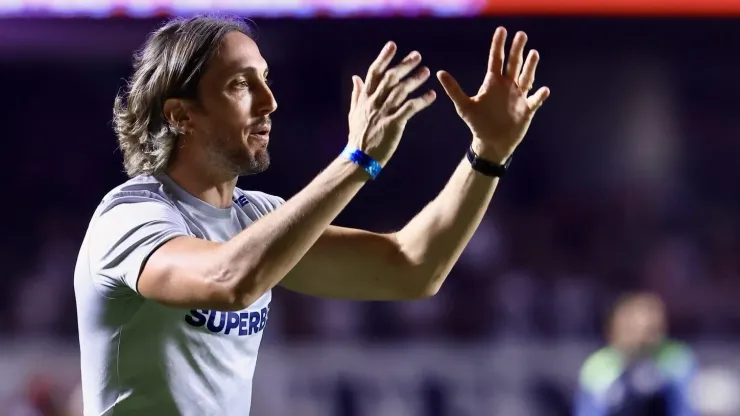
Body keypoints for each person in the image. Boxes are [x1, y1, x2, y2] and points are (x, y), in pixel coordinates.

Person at [74, 15, 549, 416]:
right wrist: (356, 161)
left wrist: (487, 156)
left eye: (266, 79)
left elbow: (411, 268)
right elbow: (230, 280)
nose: (269, 102)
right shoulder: (131, 216)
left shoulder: (254, 216)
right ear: (180, 115)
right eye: (241, 84)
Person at [575, 293, 697, 416]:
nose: (644, 338)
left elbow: (684, 409)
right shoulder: (597, 367)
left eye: (652, 330)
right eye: (631, 328)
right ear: (614, 328)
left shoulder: (677, 359)